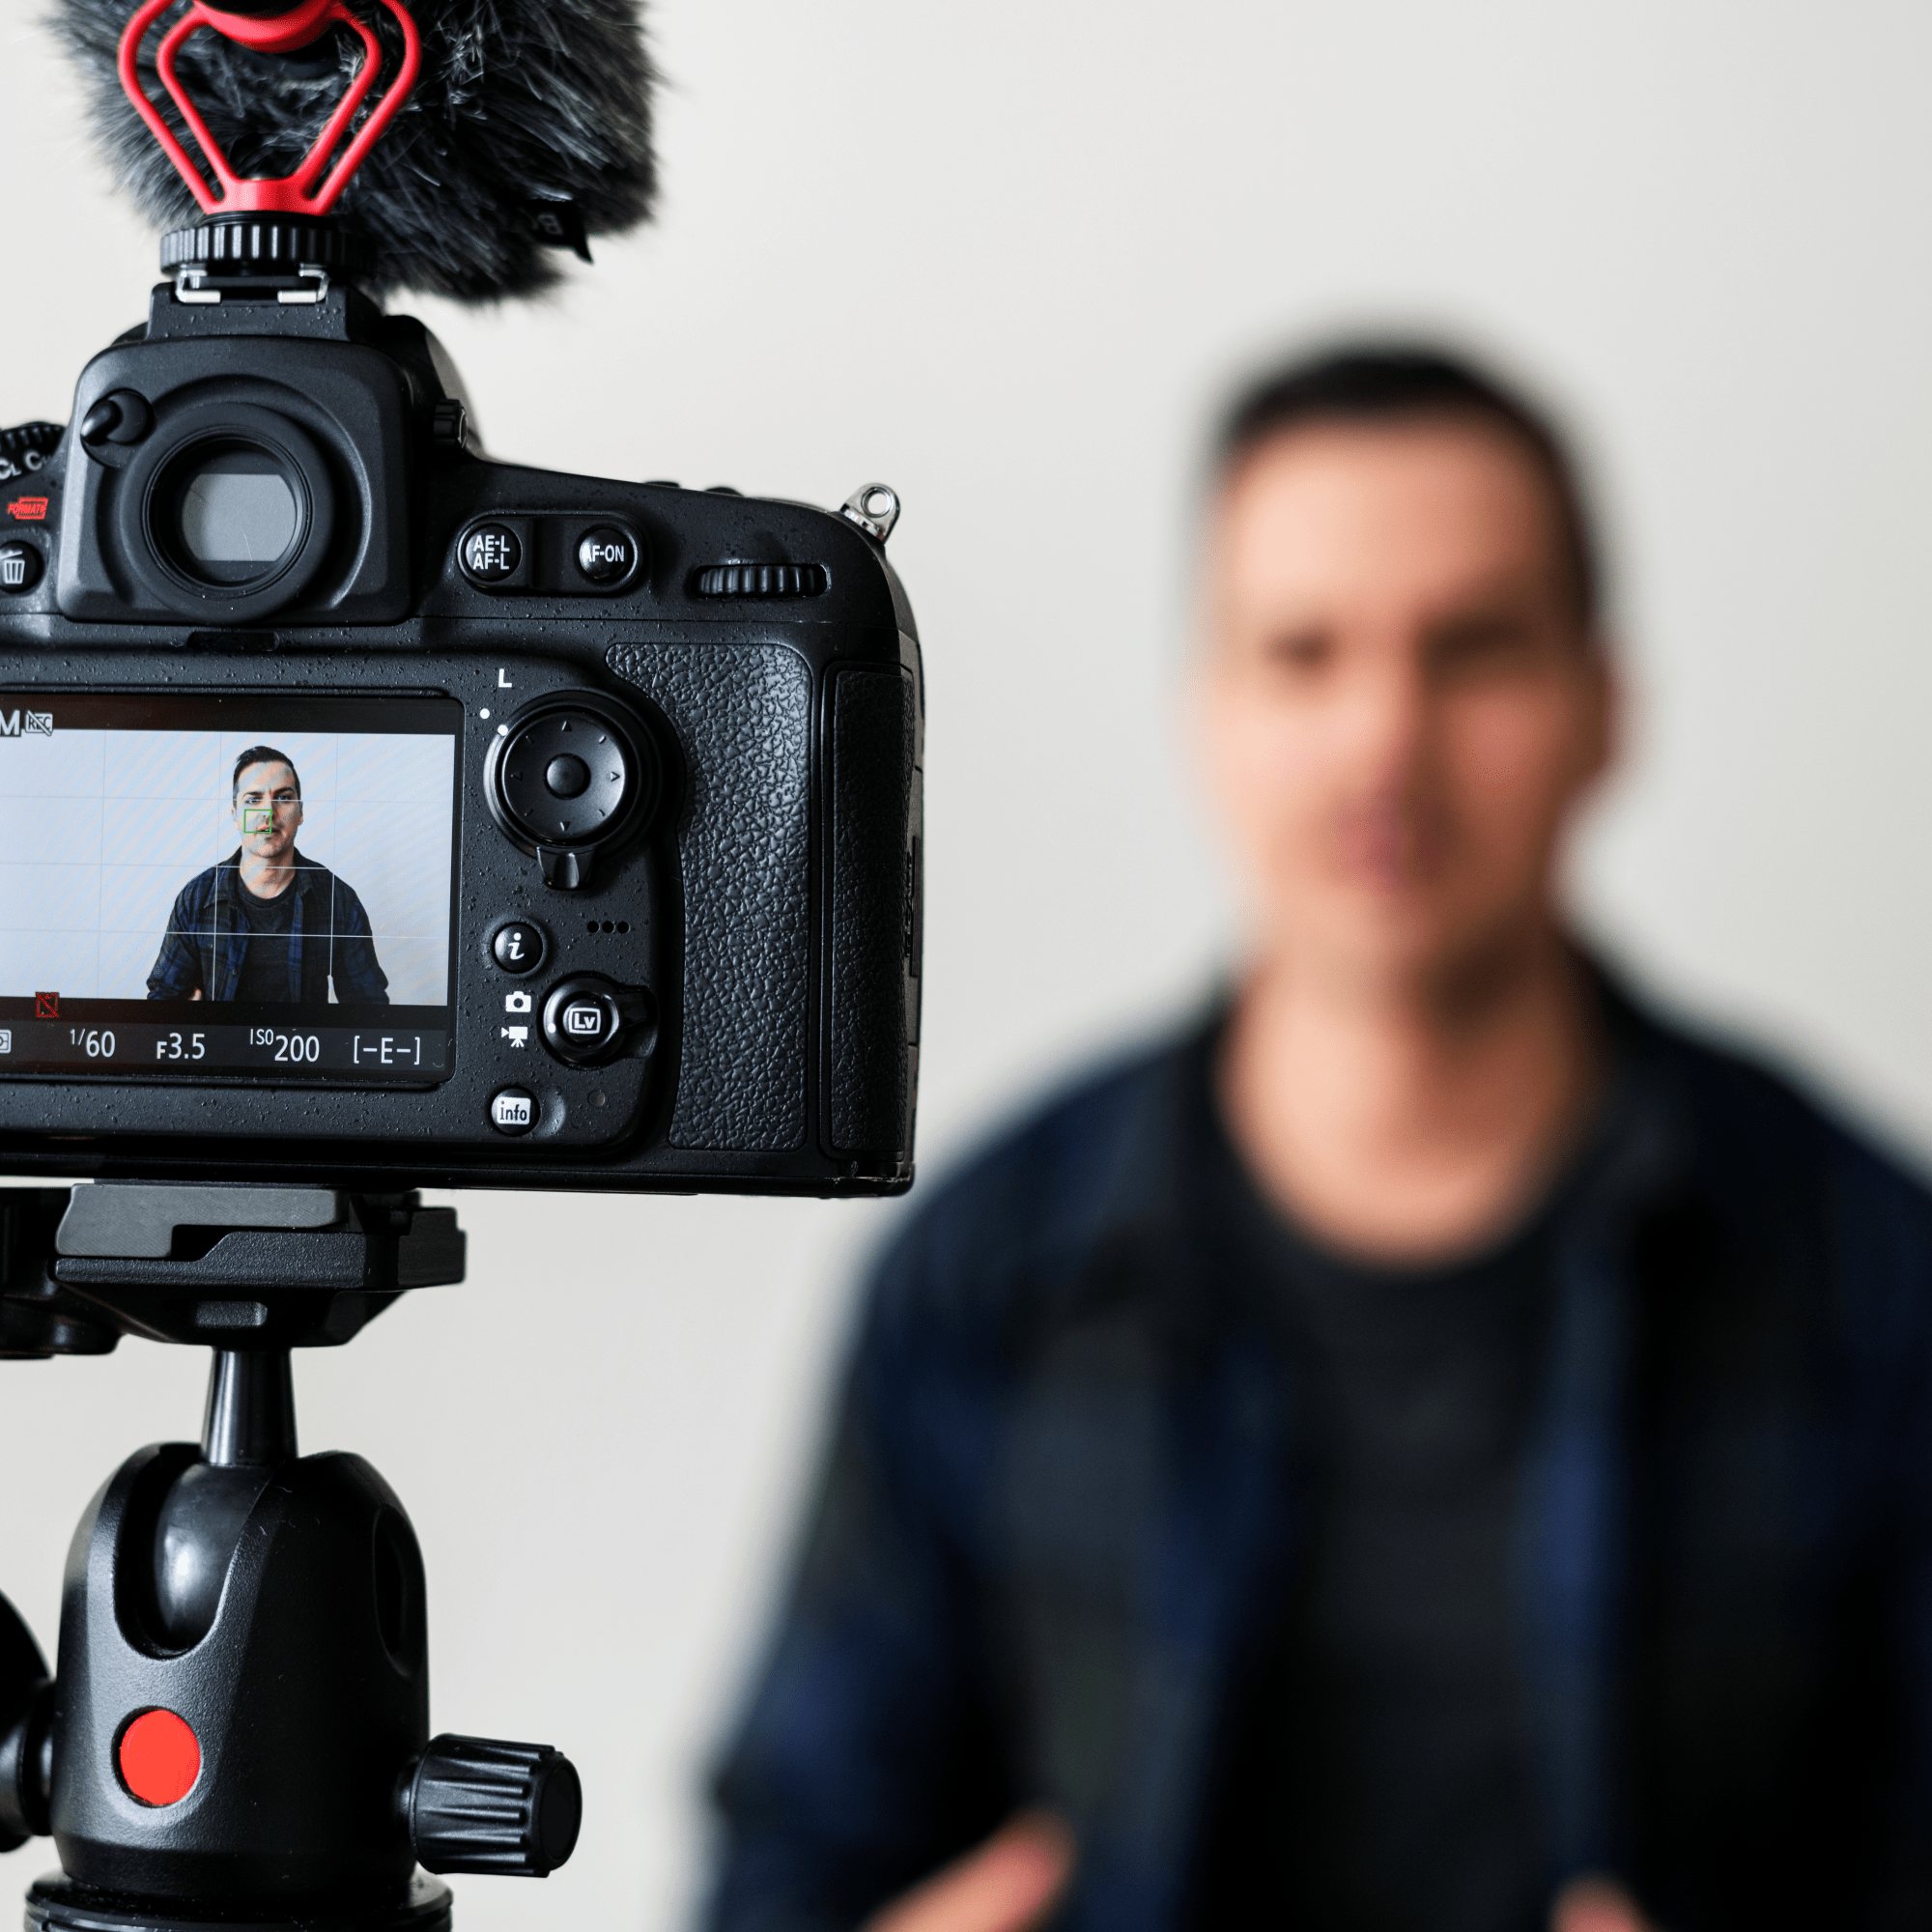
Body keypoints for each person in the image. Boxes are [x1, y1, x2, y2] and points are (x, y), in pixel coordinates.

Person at [704, 344, 1932, 1932]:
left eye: (1474, 650)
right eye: (1303, 653)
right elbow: (786, 1867)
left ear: (1603, 709)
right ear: (1207, 713)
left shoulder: (1872, 1269)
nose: (1384, 740)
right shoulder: (988, 1270)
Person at [147, 745, 388, 1006]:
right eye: (253, 800)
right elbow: (163, 998)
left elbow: (369, 1008)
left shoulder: (338, 900)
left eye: (283, 798)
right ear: (235, 816)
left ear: (301, 812)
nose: (268, 813)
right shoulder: (196, 898)